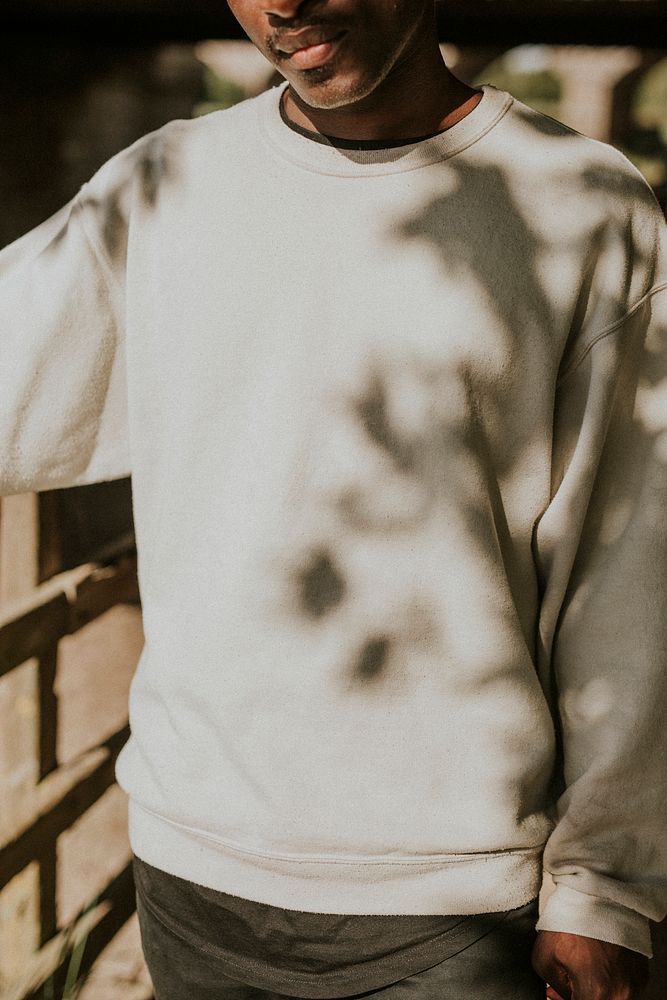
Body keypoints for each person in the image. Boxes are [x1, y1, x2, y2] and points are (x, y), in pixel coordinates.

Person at [1, 1, 665, 997]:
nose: (283, 3)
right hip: (192, 875)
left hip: (455, 907)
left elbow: (632, 565)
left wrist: (603, 885)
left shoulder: (583, 205)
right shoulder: (163, 185)